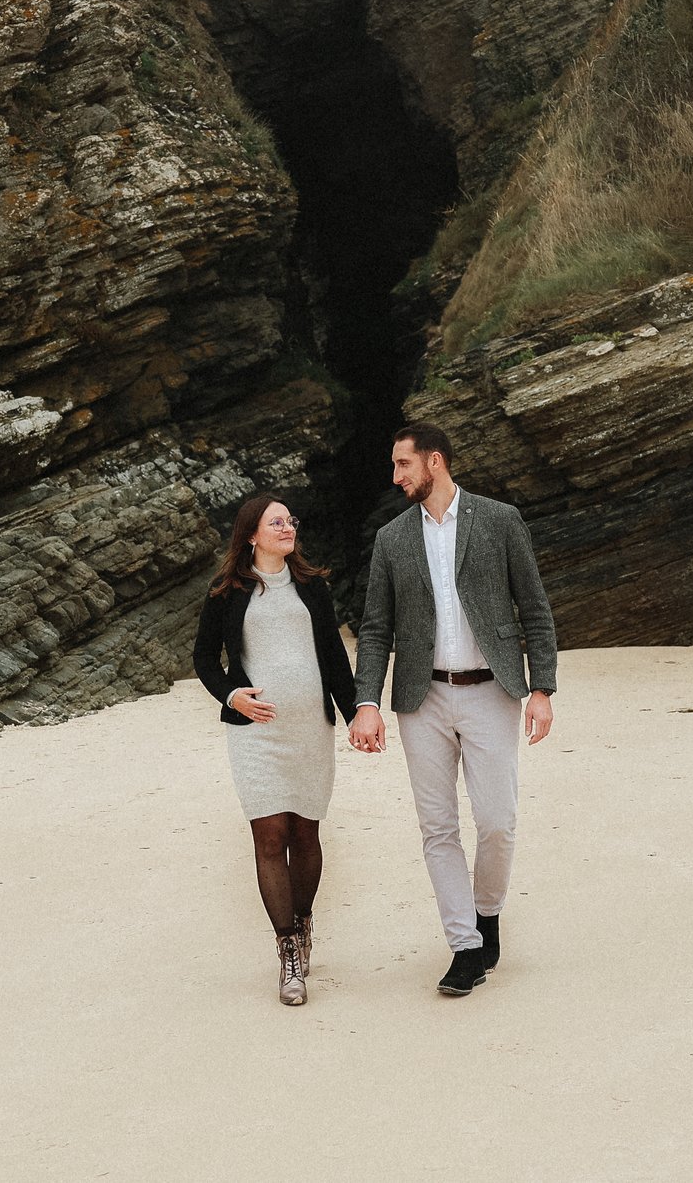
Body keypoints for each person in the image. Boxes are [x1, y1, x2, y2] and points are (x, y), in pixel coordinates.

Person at [349, 422, 558, 997]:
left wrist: (542, 686)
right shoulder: (393, 539)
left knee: (497, 822)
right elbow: (374, 629)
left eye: (402, 465)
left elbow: (534, 607)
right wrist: (366, 701)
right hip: (423, 697)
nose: (396, 477)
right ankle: (465, 946)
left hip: (492, 690)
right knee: (437, 827)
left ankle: (487, 911)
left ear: (433, 462)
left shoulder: (499, 520)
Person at [193, 491, 360, 1006]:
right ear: (251, 534)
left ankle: (303, 922)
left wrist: (359, 714)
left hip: (310, 728)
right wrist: (232, 695)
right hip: (255, 734)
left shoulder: (312, 587)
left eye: (290, 521)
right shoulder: (227, 591)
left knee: (306, 834)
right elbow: (204, 659)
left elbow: (333, 655)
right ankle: (288, 950)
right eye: (276, 522)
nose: (288, 528)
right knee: (270, 834)